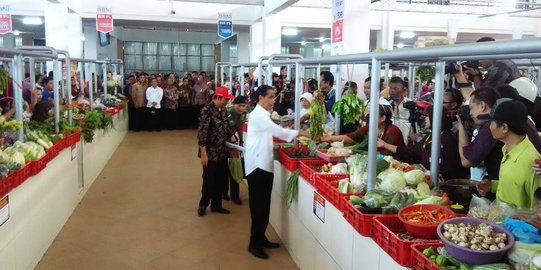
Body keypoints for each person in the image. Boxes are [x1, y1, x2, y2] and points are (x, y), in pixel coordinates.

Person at [244, 85, 309, 259]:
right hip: (257, 166)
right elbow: (277, 131)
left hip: (262, 164)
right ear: (260, 98)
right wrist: (301, 132)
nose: (273, 100)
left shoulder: (262, 114)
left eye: (274, 97)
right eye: (270, 97)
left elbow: (269, 134)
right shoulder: (258, 115)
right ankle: (254, 244)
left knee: (264, 205)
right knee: (259, 207)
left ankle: (261, 238)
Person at [476, 99, 541, 209]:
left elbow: (536, 209)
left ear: (504, 128)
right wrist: (493, 185)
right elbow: (516, 186)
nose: (489, 127)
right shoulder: (507, 150)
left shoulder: (531, 162)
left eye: (491, 123)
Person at [379, 106, 468, 180]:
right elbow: (409, 152)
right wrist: (385, 145)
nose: (425, 118)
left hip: (446, 185)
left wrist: (432, 174)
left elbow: (452, 168)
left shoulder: (448, 139)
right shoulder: (431, 136)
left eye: (428, 116)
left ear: (436, 118)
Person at [197, 86, 236, 217]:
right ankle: (203, 204)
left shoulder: (223, 110)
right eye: (225, 99)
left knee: (220, 179)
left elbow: (226, 126)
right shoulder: (206, 111)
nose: (227, 102)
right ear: (218, 97)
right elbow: (202, 134)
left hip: (222, 151)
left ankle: (216, 205)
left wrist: (232, 136)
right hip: (210, 152)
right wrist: (203, 154)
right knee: (209, 180)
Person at [322, 99, 404, 156]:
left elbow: (391, 154)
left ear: (383, 118)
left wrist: (366, 154)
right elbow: (354, 136)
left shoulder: (393, 131)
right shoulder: (370, 128)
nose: (369, 118)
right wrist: (331, 138)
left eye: (373, 116)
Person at [223, 96, 249, 205]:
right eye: (239, 105)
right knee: (225, 169)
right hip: (224, 142)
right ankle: (224, 193)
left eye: (244, 106)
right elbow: (224, 129)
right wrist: (232, 143)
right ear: (234, 104)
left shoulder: (242, 114)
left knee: (234, 168)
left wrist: (241, 141)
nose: (241, 108)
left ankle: (234, 196)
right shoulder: (228, 112)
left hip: (234, 142)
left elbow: (239, 127)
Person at [388, 76, 412, 145]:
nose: (392, 91)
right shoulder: (386, 104)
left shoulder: (410, 103)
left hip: (406, 141)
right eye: (390, 88)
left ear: (403, 90)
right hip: (389, 141)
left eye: (395, 88)